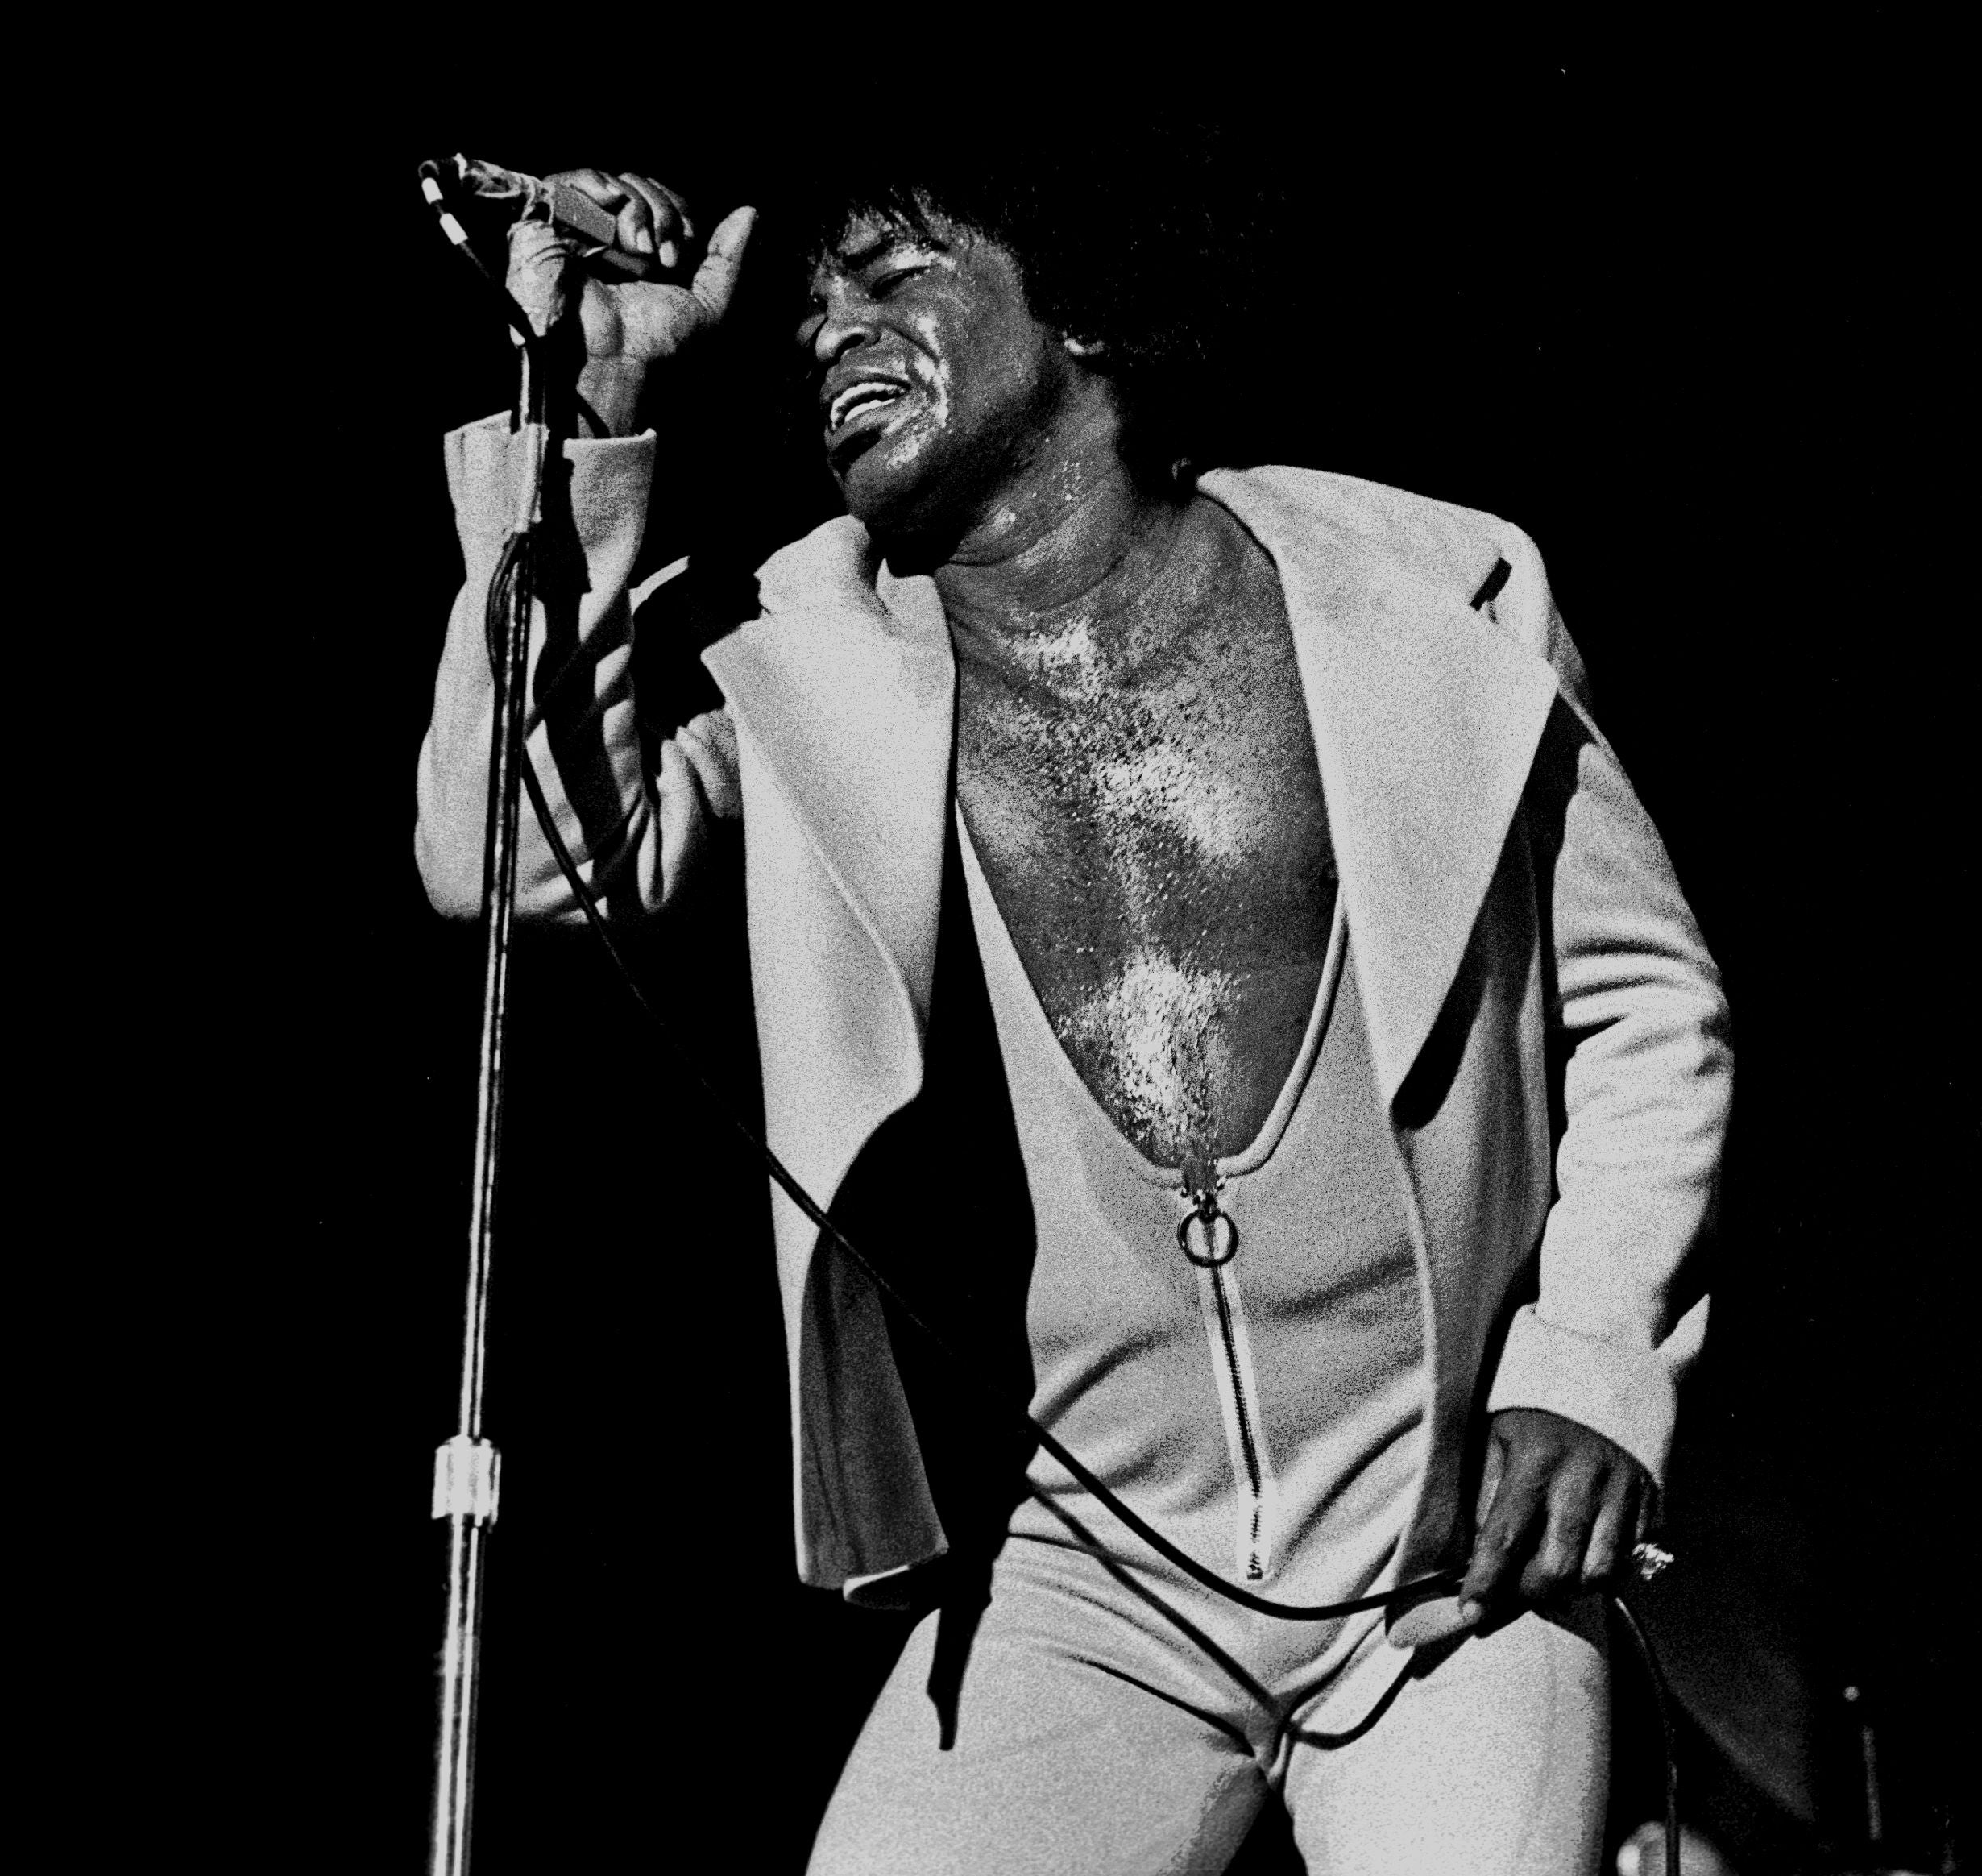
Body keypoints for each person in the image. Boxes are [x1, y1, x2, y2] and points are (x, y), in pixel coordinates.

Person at [412, 133, 1731, 1874]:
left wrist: (1588, 1372)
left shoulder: (1431, 594)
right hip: (1091, 1563)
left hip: (1442, 1555)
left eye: (893, 280)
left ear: (1086, 316)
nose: (831, 337)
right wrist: (588, 430)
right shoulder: (822, 682)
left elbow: (1644, 1004)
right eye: (812, 319)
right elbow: (510, 855)